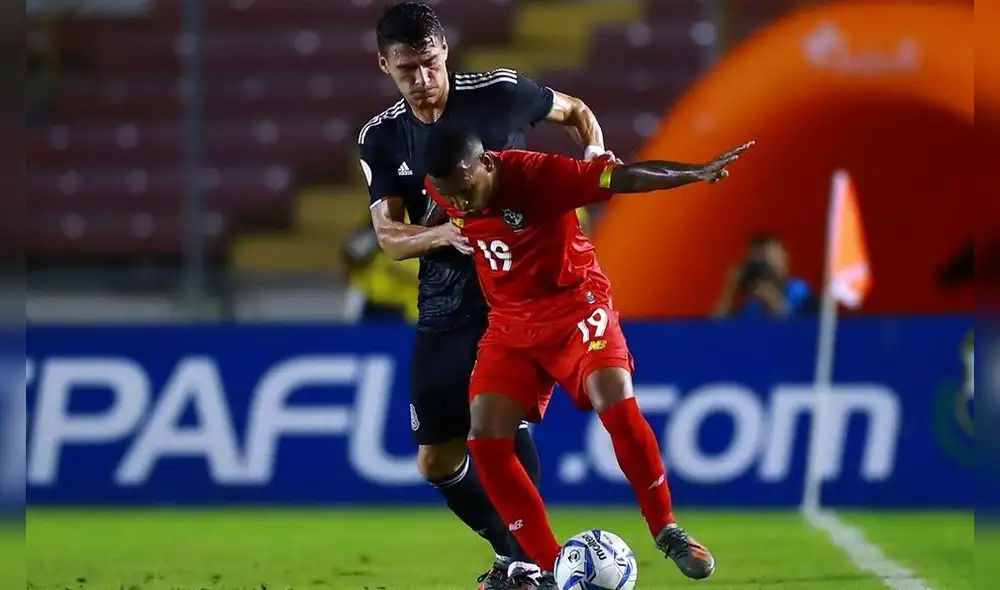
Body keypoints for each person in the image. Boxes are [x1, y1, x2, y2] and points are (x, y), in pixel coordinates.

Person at [422, 124, 753, 588]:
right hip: (511, 322)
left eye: (465, 192)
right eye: (449, 196)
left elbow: (622, 178)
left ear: (487, 164)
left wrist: (694, 173)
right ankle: (554, 567)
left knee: (614, 399)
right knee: (485, 440)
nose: (460, 204)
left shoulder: (540, 176)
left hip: (576, 304)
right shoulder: (443, 179)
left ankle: (666, 529)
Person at [359, 3, 617, 588]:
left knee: (498, 424)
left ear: (445, 48)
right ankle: (517, 551)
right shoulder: (381, 136)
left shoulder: (500, 92)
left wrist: (592, 170)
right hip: (445, 300)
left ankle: (537, 563)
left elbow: (576, 112)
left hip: (517, 292)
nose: (422, 81)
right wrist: (443, 233)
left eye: (429, 63)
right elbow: (389, 239)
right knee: (436, 459)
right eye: (407, 71)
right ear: (384, 66)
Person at [715, 234, 816, 318]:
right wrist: (730, 290)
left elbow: (799, 326)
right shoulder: (752, 303)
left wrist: (773, 299)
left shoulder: (798, 290)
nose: (763, 269)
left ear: (784, 258)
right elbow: (715, 327)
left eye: (769, 260)